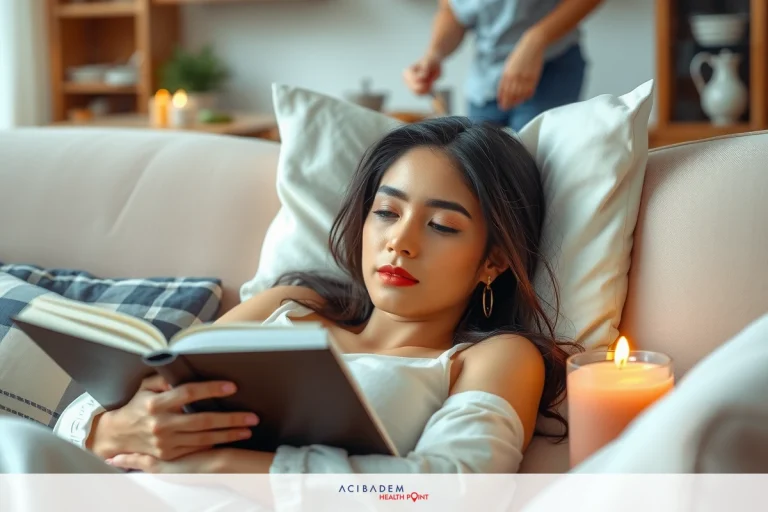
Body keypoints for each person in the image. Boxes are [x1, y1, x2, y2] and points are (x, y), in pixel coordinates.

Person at [0, 117, 577, 477]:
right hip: (118, 489)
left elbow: (450, 489)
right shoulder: (291, 302)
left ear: (493, 261)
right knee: (18, 445)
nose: (400, 242)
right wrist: (105, 430)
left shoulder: (494, 357)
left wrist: (232, 466)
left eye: (442, 226)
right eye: (386, 212)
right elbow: (142, 391)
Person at [403, 0, 604, 132]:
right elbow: (453, 9)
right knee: (481, 167)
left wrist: (536, 39)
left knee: (530, 167)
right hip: (485, 82)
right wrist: (434, 54)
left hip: (551, 68)